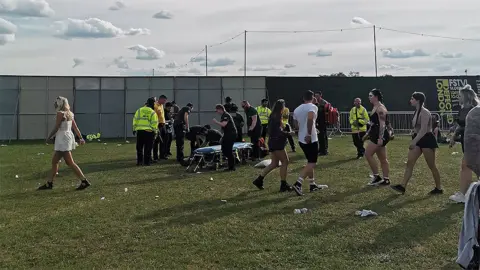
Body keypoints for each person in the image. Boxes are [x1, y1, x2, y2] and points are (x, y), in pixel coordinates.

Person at [391, 92, 442, 194]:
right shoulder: (416, 111)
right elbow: (417, 128)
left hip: (426, 140)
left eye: (412, 98)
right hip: (418, 139)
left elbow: (423, 130)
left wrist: (414, 141)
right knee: (410, 163)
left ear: (418, 100)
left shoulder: (425, 112)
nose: (410, 100)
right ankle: (402, 186)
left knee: (432, 166)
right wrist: (414, 133)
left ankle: (439, 188)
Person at [39, 96, 90, 190]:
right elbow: (75, 127)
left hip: (62, 138)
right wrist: (81, 138)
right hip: (66, 137)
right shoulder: (70, 113)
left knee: (70, 162)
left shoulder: (60, 113)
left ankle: (84, 181)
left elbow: (57, 127)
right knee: (55, 161)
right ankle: (49, 183)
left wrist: (49, 137)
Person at [252, 99, 294, 192]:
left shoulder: (272, 115)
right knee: (285, 162)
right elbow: (278, 132)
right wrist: (288, 133)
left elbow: (272, 130)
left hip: (271, 142)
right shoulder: (277, 116)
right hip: (277, 143)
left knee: (274, 163)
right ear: (282, 107)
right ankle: (283, 184)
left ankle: (259, 180)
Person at [292, 90, 327, 196]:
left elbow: (295, 125)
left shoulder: (297, 109)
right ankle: (298, 183)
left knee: (309, 161)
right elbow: (310, 119)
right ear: (312, 98)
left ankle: (312, 184)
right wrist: (308, 133)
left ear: (303, 98)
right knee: (312, 162)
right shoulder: (313, 107)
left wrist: (303, 131)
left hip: (301, 138)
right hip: (310, 138)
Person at [449, 85, 480, 203]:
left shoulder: (474, 109)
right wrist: (454, 135)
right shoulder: (462, 109)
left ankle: (463, 194)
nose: (458, 98)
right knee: (471, 165)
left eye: (460, 96)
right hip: (466, 140)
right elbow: (461, 125)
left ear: (466, 96)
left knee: (466, 165)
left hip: (474, 141)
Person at [364, 89, 391, 186]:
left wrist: (380, 138)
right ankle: (386, 179)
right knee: (383, 158)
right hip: (376, 134)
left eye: (371, 96)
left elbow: (382, 124)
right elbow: (373, 123)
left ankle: (376, 176)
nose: (369, 97)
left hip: (379, 135)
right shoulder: (375, 106)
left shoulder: (380, 108)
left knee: (368, 154)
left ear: (376, 97)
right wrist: (368, 133)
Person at [132, 97, 158, 166]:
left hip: (140, 131)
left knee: (139, 147)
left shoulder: (139, 110)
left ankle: (139, 161)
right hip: (149, 132)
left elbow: (135, 120)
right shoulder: (152, 112)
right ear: (153, 104)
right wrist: (155, 132)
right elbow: (154, 123)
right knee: (148, 148)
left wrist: (134, 129)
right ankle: (147, 162)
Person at [213, 104, 237, 171]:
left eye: (217, 110)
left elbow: (224, 124)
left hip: (231, 134)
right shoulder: (223, 115)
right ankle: (230, 164)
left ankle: (232, 167)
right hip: (227, 134)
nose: (217, 112)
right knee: (224, 149)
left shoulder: (226, 115)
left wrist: (216, 122)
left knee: (228, 150)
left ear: (220, 109)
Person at [153, 95, 168, 162]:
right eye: (164, 100)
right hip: (157, 125)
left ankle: (162, 155)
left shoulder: (161, 105)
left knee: (164, 140)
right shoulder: (155, 105)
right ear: (161, 99)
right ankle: (155, 156)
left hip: (163, 124)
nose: (165, 102)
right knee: (156, 141)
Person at [315, 91, 330, 156]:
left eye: (317, 96)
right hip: (318, 121)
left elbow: (326, 111)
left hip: (322, 121)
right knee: (320, 136)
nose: (316, 97)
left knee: (322, 136)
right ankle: (321, 149)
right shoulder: (316, 102)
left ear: (321, 95)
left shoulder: (324, 102)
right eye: (315, 96)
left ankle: (324, 150)